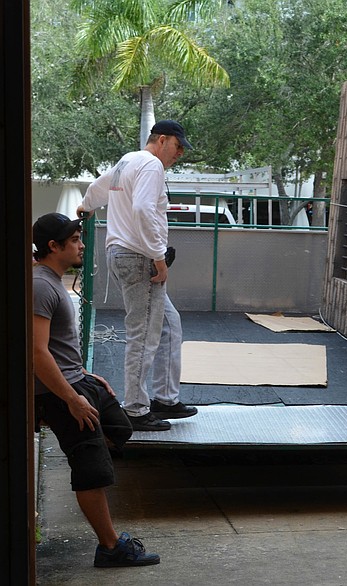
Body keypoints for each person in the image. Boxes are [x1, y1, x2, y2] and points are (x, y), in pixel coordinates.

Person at [32, 212, 160, 567]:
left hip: (77, 378)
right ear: (53, 246)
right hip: (60, 392)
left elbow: (56, 346)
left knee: (119, 426)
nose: (82, 245)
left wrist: (86, 376)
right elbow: (36, 353)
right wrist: (71, 400)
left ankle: (87, 450)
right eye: (74, 240)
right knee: (92, 468)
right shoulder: (41, 285)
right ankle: (110, 547)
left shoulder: (53, 279)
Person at [77, 120, 198, 431]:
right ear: (160, 139)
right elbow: (144, 210)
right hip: (138, 257)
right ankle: (135, 408)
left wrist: (86, 207)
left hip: (123, 253)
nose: (180, 152)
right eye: (177, 145)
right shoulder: (151, 165)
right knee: (143, 335)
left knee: (169, 324)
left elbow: (98, 188)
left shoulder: (128, 161)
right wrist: (159, 257)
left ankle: (165, 399)